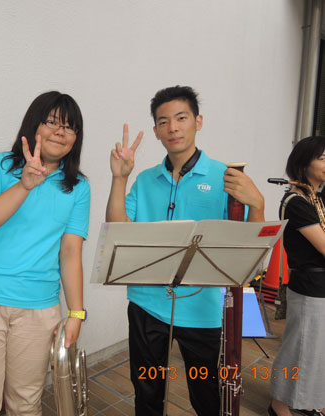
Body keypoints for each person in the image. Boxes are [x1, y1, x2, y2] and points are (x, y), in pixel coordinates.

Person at [106, 85, 265, 416]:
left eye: (181, 118)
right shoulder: (145, 180)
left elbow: (248, 251)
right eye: (163, 121)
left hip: (202, 310)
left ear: (198, 121)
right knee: (147, 393)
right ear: (155, 131)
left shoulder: (226, 177)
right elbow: (118, 230)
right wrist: (119, 179)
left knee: (205, 396)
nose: (173, 128)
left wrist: (259, 204)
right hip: (146, 305)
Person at [0, 91, 90, 416]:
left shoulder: (77, 187)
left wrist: (76, 313)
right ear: (34, 125)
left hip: (39, 309)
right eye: (52, 122)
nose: (60, 132)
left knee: (26, 403)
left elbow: (70, 252)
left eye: (69, 127)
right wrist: (24, 185)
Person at [269, 136, 325, 416]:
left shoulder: (318, 198)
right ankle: (279, 403)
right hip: (309, 285)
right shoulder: (295, 202)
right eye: (323, 159)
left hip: (321, 285)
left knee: (317, 350)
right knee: (299, 348)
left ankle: (308, 400)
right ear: (304, 164)